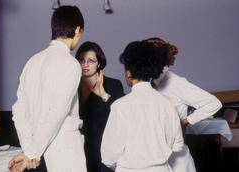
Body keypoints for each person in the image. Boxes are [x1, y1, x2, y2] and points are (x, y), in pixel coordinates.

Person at [8, 6, 87, 172]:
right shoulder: (71, 64)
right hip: (63, 153)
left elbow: (18, 110)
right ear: (78, 30)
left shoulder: (32, 62)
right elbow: (57, 112)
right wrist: (31, 152)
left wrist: (29, 148)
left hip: (36, 156)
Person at [101, 41, 184, 172]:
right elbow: (178, 146)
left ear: (128, 72)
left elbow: (108, 156)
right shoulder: (168, 104)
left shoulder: (120, 106)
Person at [145, 37, 222, 172]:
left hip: (176, 161)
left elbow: (213, 103)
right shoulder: (150, 84)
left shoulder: (176, 83)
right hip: (155, 158)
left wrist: (185, 121)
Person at [75, 41, 125, 172]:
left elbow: (123, 116)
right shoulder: (72, 85)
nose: (85, 64)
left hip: (104, 153)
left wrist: (103, 95)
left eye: (91, 61)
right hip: (78, 151)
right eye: (81, 60)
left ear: (99, 63)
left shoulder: (113, 84)